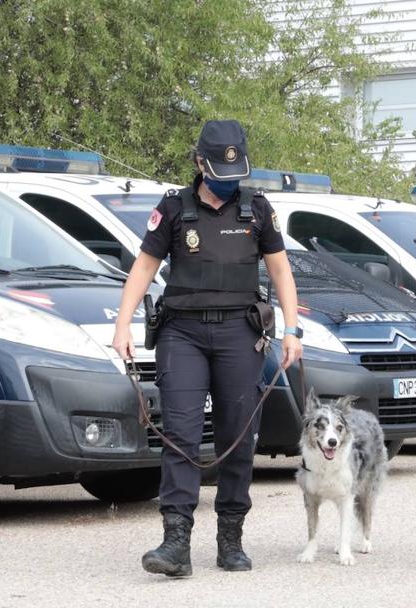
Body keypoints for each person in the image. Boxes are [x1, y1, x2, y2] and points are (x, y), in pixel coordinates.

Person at [111, 119, 302, 577]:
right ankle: (175, 542)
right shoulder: (174, 207)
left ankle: (231, 538)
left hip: (241, 332)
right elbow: (142, 268)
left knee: (239, 433)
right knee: (180, 434)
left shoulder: (257, 208)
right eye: (218, 170)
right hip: (183, 334)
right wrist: (123, 325)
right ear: (200, 162)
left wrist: (292, 330)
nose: (227, 181)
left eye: (235, 172)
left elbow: (281, 271)